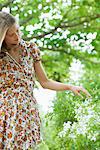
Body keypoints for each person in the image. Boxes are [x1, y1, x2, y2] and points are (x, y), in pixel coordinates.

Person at [0, 11, 91, 149]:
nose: (17, 37)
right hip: (5, 113)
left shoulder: (30, 49)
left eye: (18, 31)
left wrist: (70, 86)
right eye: (11, 34)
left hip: (27, 111)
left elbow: (45, 82)